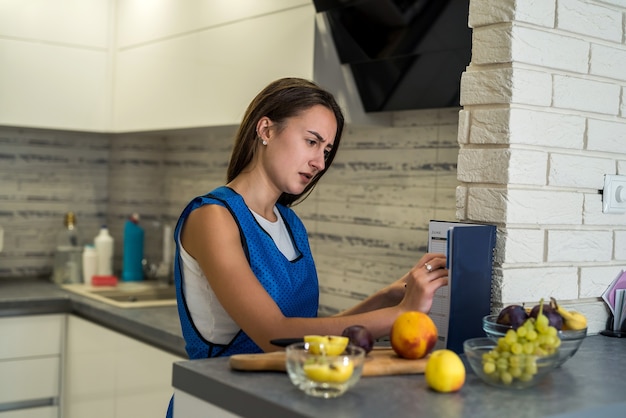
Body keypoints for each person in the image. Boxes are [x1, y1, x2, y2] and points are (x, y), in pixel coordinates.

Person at [173, 77, 449, 359]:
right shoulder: (213, 217)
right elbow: (274, 334)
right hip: (217, 399)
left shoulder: (290, 224)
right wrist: (403, 313)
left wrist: (388, 297)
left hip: (287, 393)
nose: (320, 163)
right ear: (266, 129)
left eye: (326, 151)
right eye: (311, 142)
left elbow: (307, 334)